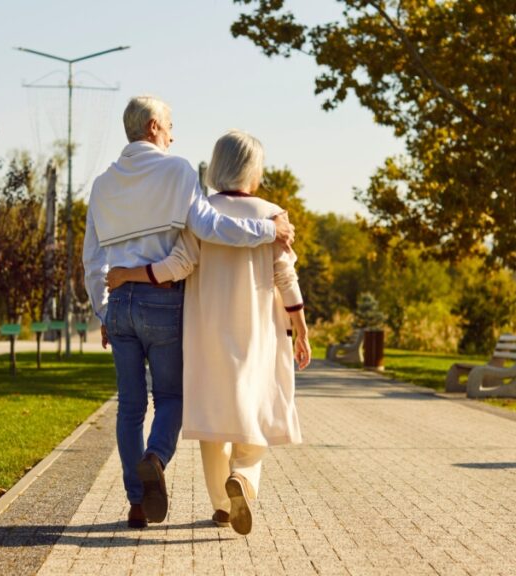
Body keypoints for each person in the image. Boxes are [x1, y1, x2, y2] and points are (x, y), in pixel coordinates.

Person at [82, 97, 295, 529]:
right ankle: (156, 458)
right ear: (155, 125)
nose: (174, 135)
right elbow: (210, 227)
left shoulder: (102, 184)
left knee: (128, 407)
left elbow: (92, 260)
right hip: (162, 301)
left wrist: (104, 314)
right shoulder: (176, 169)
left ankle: (138, 502)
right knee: (172, 397)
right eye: (171, 126)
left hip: (119, 304)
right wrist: (268, 229)